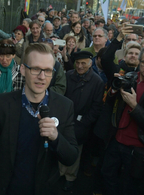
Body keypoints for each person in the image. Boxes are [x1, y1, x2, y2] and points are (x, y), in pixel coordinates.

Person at [0, 43, 79, 195]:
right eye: (35, 69)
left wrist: (56, 137)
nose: (42, 77)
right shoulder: (3, 104)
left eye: (47, 70)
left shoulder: (64, 106)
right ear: (22, 70)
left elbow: (71, 157)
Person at [101, 45, 144, 195]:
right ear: (139, 62)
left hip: (138, 147)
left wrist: (134, 106)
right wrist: (114, 89)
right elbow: (109, 102)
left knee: (129, 186)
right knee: (106, 175)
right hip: (117, 139)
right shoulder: (130, 77)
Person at [60, 51, 104, 191]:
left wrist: (85, 122)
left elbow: (97, 107)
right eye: (77, 63)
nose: (79, 66)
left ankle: (70, 178)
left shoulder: (97, 81)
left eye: (83, 63)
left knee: (75, 151)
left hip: (81, 124)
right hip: (64, 119)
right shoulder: (68, 75)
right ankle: (59, 173)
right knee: (60, 146)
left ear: (90, 64)